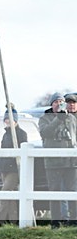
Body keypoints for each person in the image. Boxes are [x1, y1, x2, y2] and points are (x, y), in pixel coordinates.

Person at [38, 92, 77, 228]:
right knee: (54, 191)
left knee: (72, 191)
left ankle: (73, 220)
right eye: (56, 102)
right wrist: (58, 119)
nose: (59, 104)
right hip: (53, 163)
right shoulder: (44, 118)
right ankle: (56, 221)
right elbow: (45, 132)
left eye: (61, 101)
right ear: (52, 104)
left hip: (70, 161)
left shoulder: (71, 118)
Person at [0, 108, 27, 225]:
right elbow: (2, 153)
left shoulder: (21, 134)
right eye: (6, 119)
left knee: (4, 193)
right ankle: (14, 220)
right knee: (11, 195)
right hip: (4, 169)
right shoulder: (5, 135)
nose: (8, 121)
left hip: (14, 170)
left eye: (10, 119)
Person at [64, 93, 77, 226]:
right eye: (69, 102)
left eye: (73, 102)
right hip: (68, 161)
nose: (71, 105)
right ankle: (72, 217)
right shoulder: (63, 118)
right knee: (69, 189)